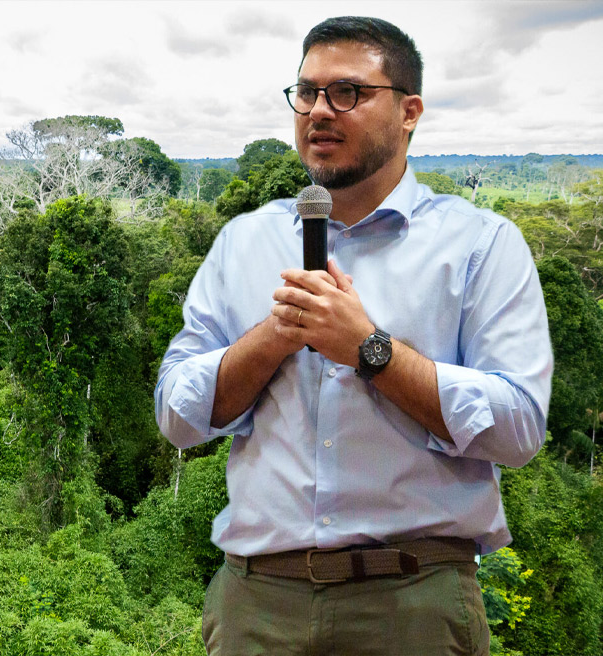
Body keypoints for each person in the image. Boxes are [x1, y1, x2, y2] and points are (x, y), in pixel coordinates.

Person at [154, 16, 552, 656]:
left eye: (348, 93)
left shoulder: (481, 245)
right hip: (257, 603)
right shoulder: (243, 242)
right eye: (306, 92)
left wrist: (371, 350)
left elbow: (519, 429)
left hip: (414, 600)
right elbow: (177, 415)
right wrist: (277, 334)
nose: (318, 111)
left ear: (409, 111)